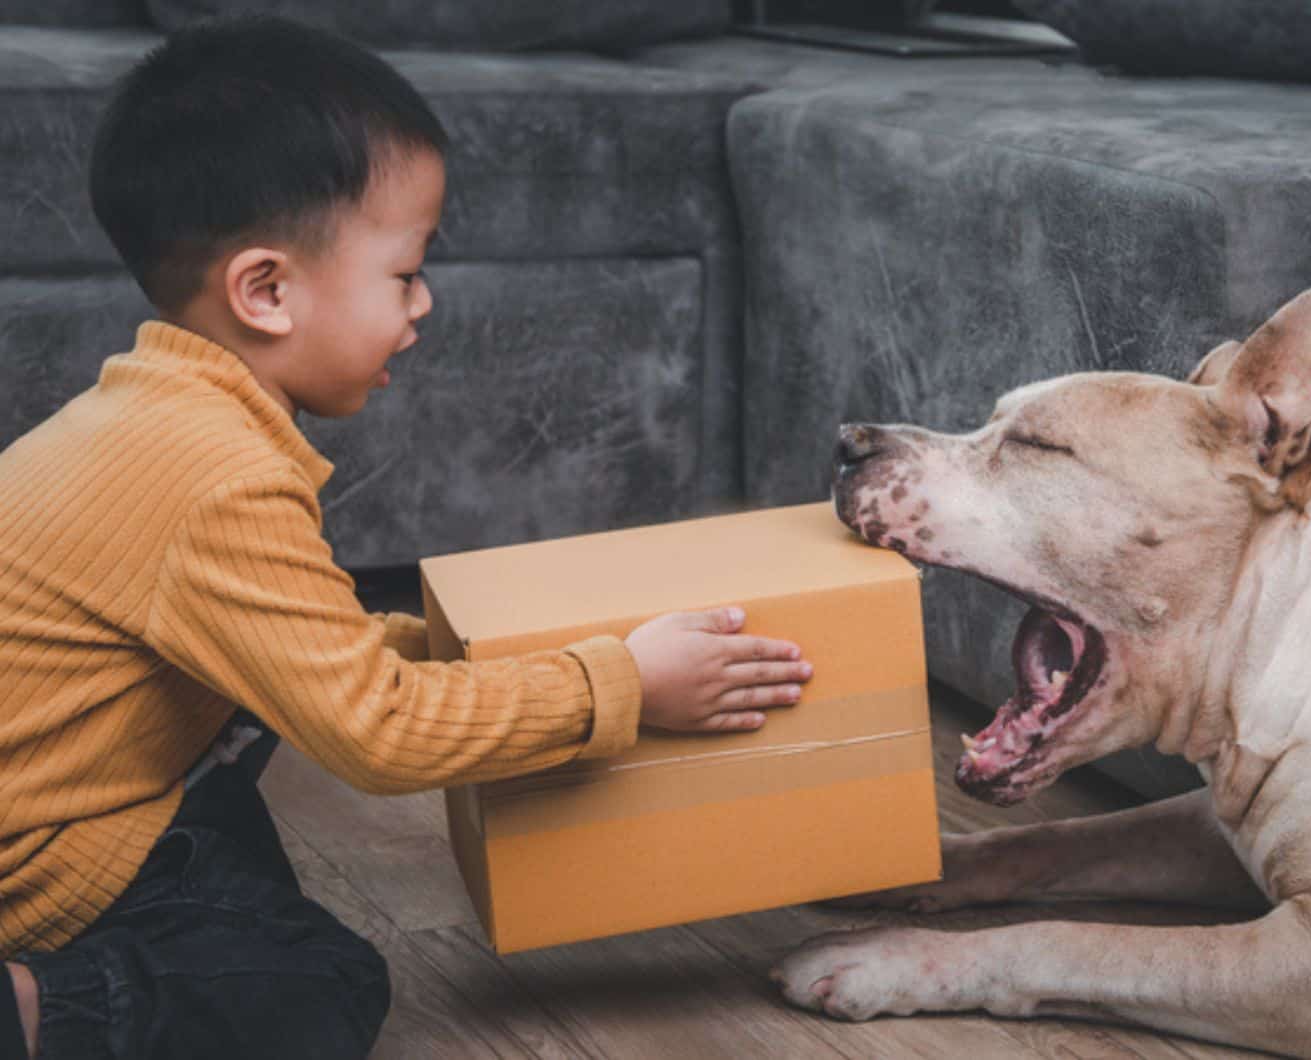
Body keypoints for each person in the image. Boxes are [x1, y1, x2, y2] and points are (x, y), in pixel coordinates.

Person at [0, 15, 813, 1059]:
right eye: (403, 273)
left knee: (241, 859)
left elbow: (305, 651)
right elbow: (374, 735)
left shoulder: (158, 418)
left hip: (75, 797)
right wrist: (620, 685)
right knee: (319, 981)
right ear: (266, 289)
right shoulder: (219, 477)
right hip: (34, 862)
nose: (424, 305)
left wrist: (470, 648)